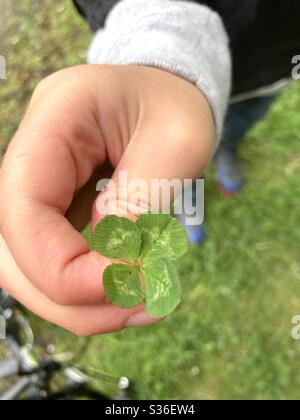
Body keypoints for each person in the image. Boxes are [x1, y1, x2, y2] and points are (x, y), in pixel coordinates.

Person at [0, 0, 299, 336]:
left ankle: (225, 151)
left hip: (274, 59)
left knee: (237, 123)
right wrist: (159, 54)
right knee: (178, 167)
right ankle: (190, 202)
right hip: (161, 44)